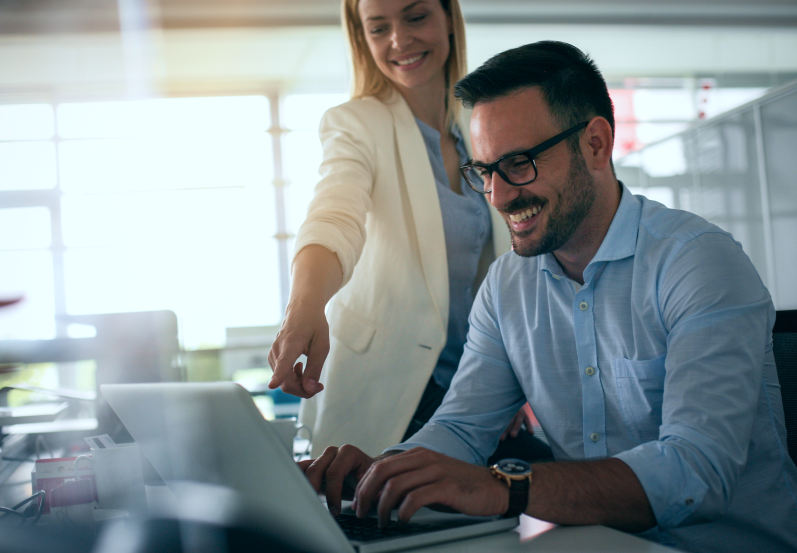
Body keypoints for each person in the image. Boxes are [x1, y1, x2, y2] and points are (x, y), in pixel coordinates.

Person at [298, 41, 797, 553]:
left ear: (597, 144)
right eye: (484, 171)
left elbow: (698, 472)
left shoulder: (697, 262)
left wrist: (503, 489)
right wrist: (387, 471)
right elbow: (463, 427)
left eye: (519, 163)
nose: (499, 196)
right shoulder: (507, 285)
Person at [267, 0, 549, 461]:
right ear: (363, 39)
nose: (399, 40)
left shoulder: (480, 129)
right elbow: (334, 216)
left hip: (474, 397)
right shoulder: (357, 123)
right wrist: (305, 306)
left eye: (416, 17)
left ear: (448, 21)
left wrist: (508, 380)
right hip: (387, 393)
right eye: (379, 28)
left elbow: (511, 271)